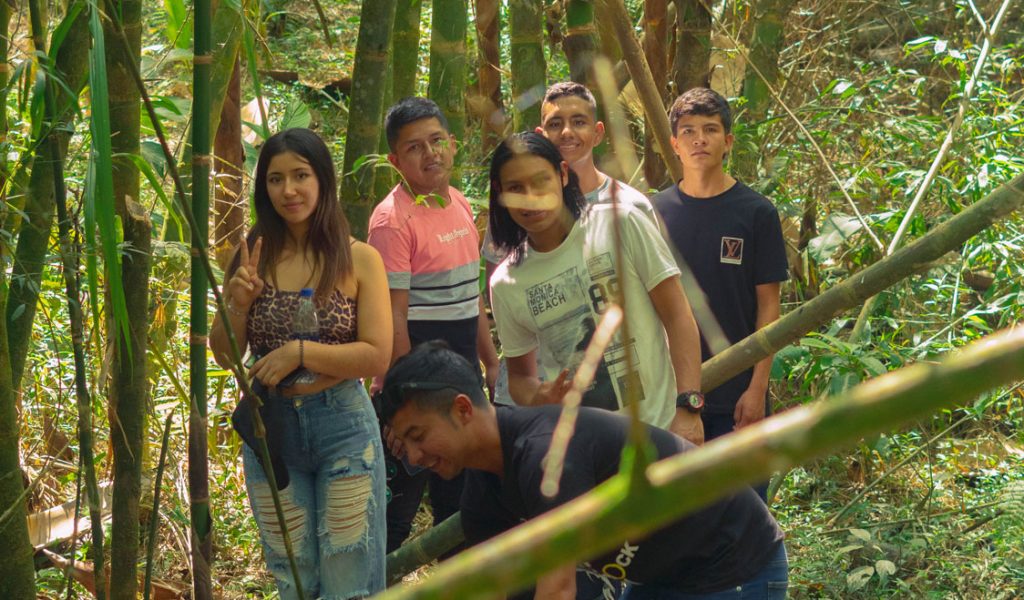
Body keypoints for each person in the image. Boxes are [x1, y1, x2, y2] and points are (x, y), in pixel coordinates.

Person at [379, 343, 789, 600]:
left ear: (463, 409)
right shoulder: (483, 493)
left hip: (734, 564)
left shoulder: (546, 454)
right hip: (664, 578)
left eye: (418, 435)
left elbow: (557, 590)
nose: (413, 456)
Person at [209, 128, 392, 599]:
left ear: (323, 180)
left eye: (300, 175)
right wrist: (238, 304)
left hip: (343, 424)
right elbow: (225, 353)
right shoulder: (252, 257)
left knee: (348, 574)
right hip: (270, 428)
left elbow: (376, 354)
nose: (288, 190)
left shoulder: (359, 259)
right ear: (263, 188)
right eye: (275, 179)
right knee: (294, 576)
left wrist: (300, 352)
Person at [487, 132, 704, 444]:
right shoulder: (507, 283)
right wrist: (540, 394)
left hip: (663, 428)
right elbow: (520, 377)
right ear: (500, 193)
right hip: (585, 451)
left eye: (540, 181)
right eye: (516, 188)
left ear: (562, 175)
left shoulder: (621, 223)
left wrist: (689, 406)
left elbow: (678, 315)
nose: (530, 197)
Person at [366, 96, 500, 553]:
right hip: (414, 398)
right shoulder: (392, 220)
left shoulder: (460, 204)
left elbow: (471, 298)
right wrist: (403, 407)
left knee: (461, 512)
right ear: (395, 160)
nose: (430, 154)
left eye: (437, 141)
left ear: (454, 145)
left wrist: (491, 362)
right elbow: (393, 320)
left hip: (459, 391)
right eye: (415, 148)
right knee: (394, 520)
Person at [651, 89, 789, 456]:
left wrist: (757, 389)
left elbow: (769, 309)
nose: (699, 139)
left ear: (727, 142)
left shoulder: (757, 213)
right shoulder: (653, 213)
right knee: (680, 512)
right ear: (674, 144)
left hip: (738, 395)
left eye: (710, 130)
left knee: (743, 509)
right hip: (672, 396)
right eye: (688, 131)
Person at [482, 81, 658, 275]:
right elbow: (499, 287)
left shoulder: (630, 205)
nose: (566, 132)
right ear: (541, 135)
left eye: (579, 122)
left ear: (597, 133)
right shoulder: (520, 207)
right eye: (555, 124)